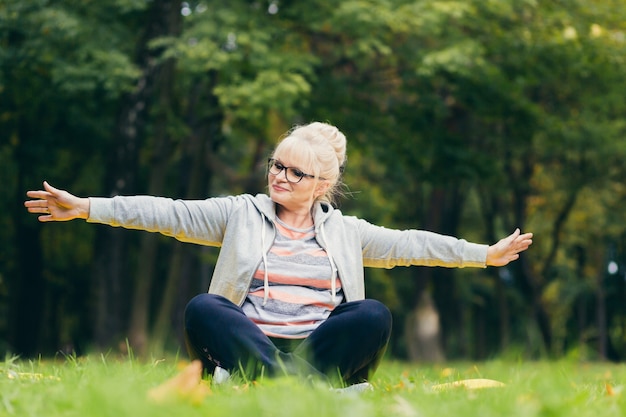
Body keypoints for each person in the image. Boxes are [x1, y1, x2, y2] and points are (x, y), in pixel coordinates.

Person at [25, 122, 533, 391]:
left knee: (372, 314)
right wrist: (88, 207)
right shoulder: (239, 214)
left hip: (317, 348)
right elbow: (166, 212)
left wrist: (483, 254)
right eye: (277, 165)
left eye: (295, 173)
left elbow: (411, 244)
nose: (279, 177)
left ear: (322, 185)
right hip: (249, 341)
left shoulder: (347, 232)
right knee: (205, 308)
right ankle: (296, 387)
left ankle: (289, 382)